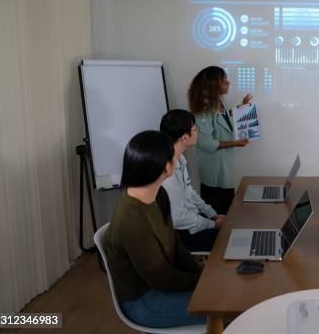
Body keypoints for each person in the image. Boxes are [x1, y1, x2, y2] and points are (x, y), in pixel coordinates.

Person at [104, 130, 205, 328]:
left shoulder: (158, 195)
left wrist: (202, 272)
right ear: (166, 167)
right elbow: (162, 279)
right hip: (145, 301)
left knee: (225, 290)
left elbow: (175, 245)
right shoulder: (132, 221)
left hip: (161, 283)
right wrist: (202, 281)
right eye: (172, 156)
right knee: (226, 306)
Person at [160, 109, 226, 251]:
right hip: (184, 232)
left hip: (192, 219)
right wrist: (213, 224)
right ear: (184, 137)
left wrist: (212, 215)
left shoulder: (180, 158)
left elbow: (189, 192)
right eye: (195, 129)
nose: (198, 132)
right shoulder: (167, 172)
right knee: (226, 239)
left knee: (227, 221)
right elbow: (179, 218)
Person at [188, 66, 251, 214]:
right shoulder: (203, 109)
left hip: (223, 165)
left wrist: (240, 108)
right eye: (224, 81)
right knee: (217, 210)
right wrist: (235, 143)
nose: (228, 84)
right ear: (214, 85)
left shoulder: (218, 100)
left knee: (227, 205)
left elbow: (222, 117)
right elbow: (206, 143)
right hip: (213, 168)